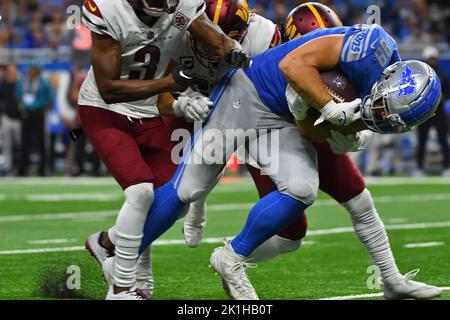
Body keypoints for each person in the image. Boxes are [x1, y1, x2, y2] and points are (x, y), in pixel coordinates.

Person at [136, 23, 442, 300]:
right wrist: (329, 108)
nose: (380, 114)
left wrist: (339, 128)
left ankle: (231, 257)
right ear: (389, 77)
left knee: (302, 189)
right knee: (189, 190)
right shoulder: (370, 48)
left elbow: (311, 130)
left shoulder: (381, 107)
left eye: (389, 118)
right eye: (382, 107)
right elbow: (291, 64)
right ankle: (121, 253)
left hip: (284, 120)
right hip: (247, 92)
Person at [79, 0, 251, 300]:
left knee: (179, 196)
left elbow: (206, 28)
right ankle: (121, 290)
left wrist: (230, 47)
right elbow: (108, 88)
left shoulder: (179, 4)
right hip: (105, 110)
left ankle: (107, 242)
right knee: (141, 192)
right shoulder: (107, 8)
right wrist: (169, 83)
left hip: (147, 114)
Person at [415, 46, 450, 177]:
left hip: (439, 112)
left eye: (433, 58)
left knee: (443, 140)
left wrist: (439, 99)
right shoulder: (421, 75)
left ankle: (446, 166)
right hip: (424, 113)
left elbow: (447, 92)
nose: (432, 61)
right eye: (430, 59)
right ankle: (419, 167)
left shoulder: (442, 75)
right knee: (422, 140)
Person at [16, 65, 52, 176]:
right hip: (26, 114)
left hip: (38, 114)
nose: (32, 71)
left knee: (41, 142)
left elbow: (48, 97)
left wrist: (42, 107)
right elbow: (18, 96)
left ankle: (42, 169)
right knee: (24, 142)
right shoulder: (23, 82)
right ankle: (23, 169)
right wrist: (22, 107)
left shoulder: (43, 82)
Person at [0, 64, 21, 176]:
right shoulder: (3, 84)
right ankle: (8, 168)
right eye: (10, 70)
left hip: (19, 119)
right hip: (7, 117)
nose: (12, 72)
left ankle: (19, 167)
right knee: (7, 145)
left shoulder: (21, 83)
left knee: (20, 144)